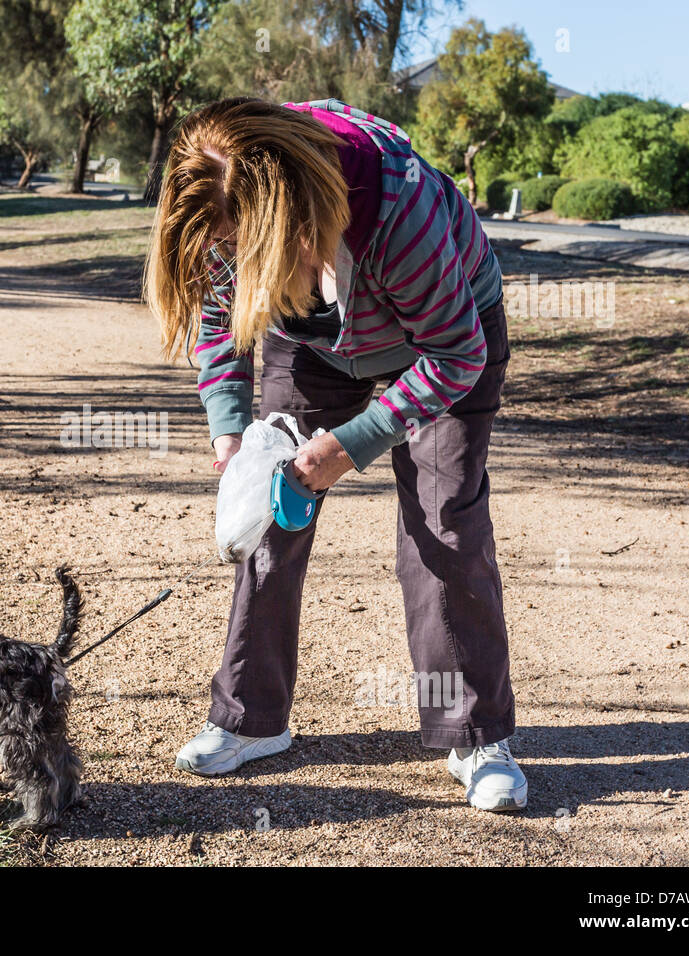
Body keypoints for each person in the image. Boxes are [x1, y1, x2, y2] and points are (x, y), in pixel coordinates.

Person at [144, 97, 526, 811]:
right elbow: (222, 325)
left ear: (294, 211)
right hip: (315, 338)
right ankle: (250, 719)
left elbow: (455, 353)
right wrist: (232, 434)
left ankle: (475, 733)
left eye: (249, 247)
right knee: (270, 511)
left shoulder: (396, 205)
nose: (233, 259)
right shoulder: (222, 198)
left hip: (444, 336)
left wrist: (345, 448)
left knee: (444, 519)